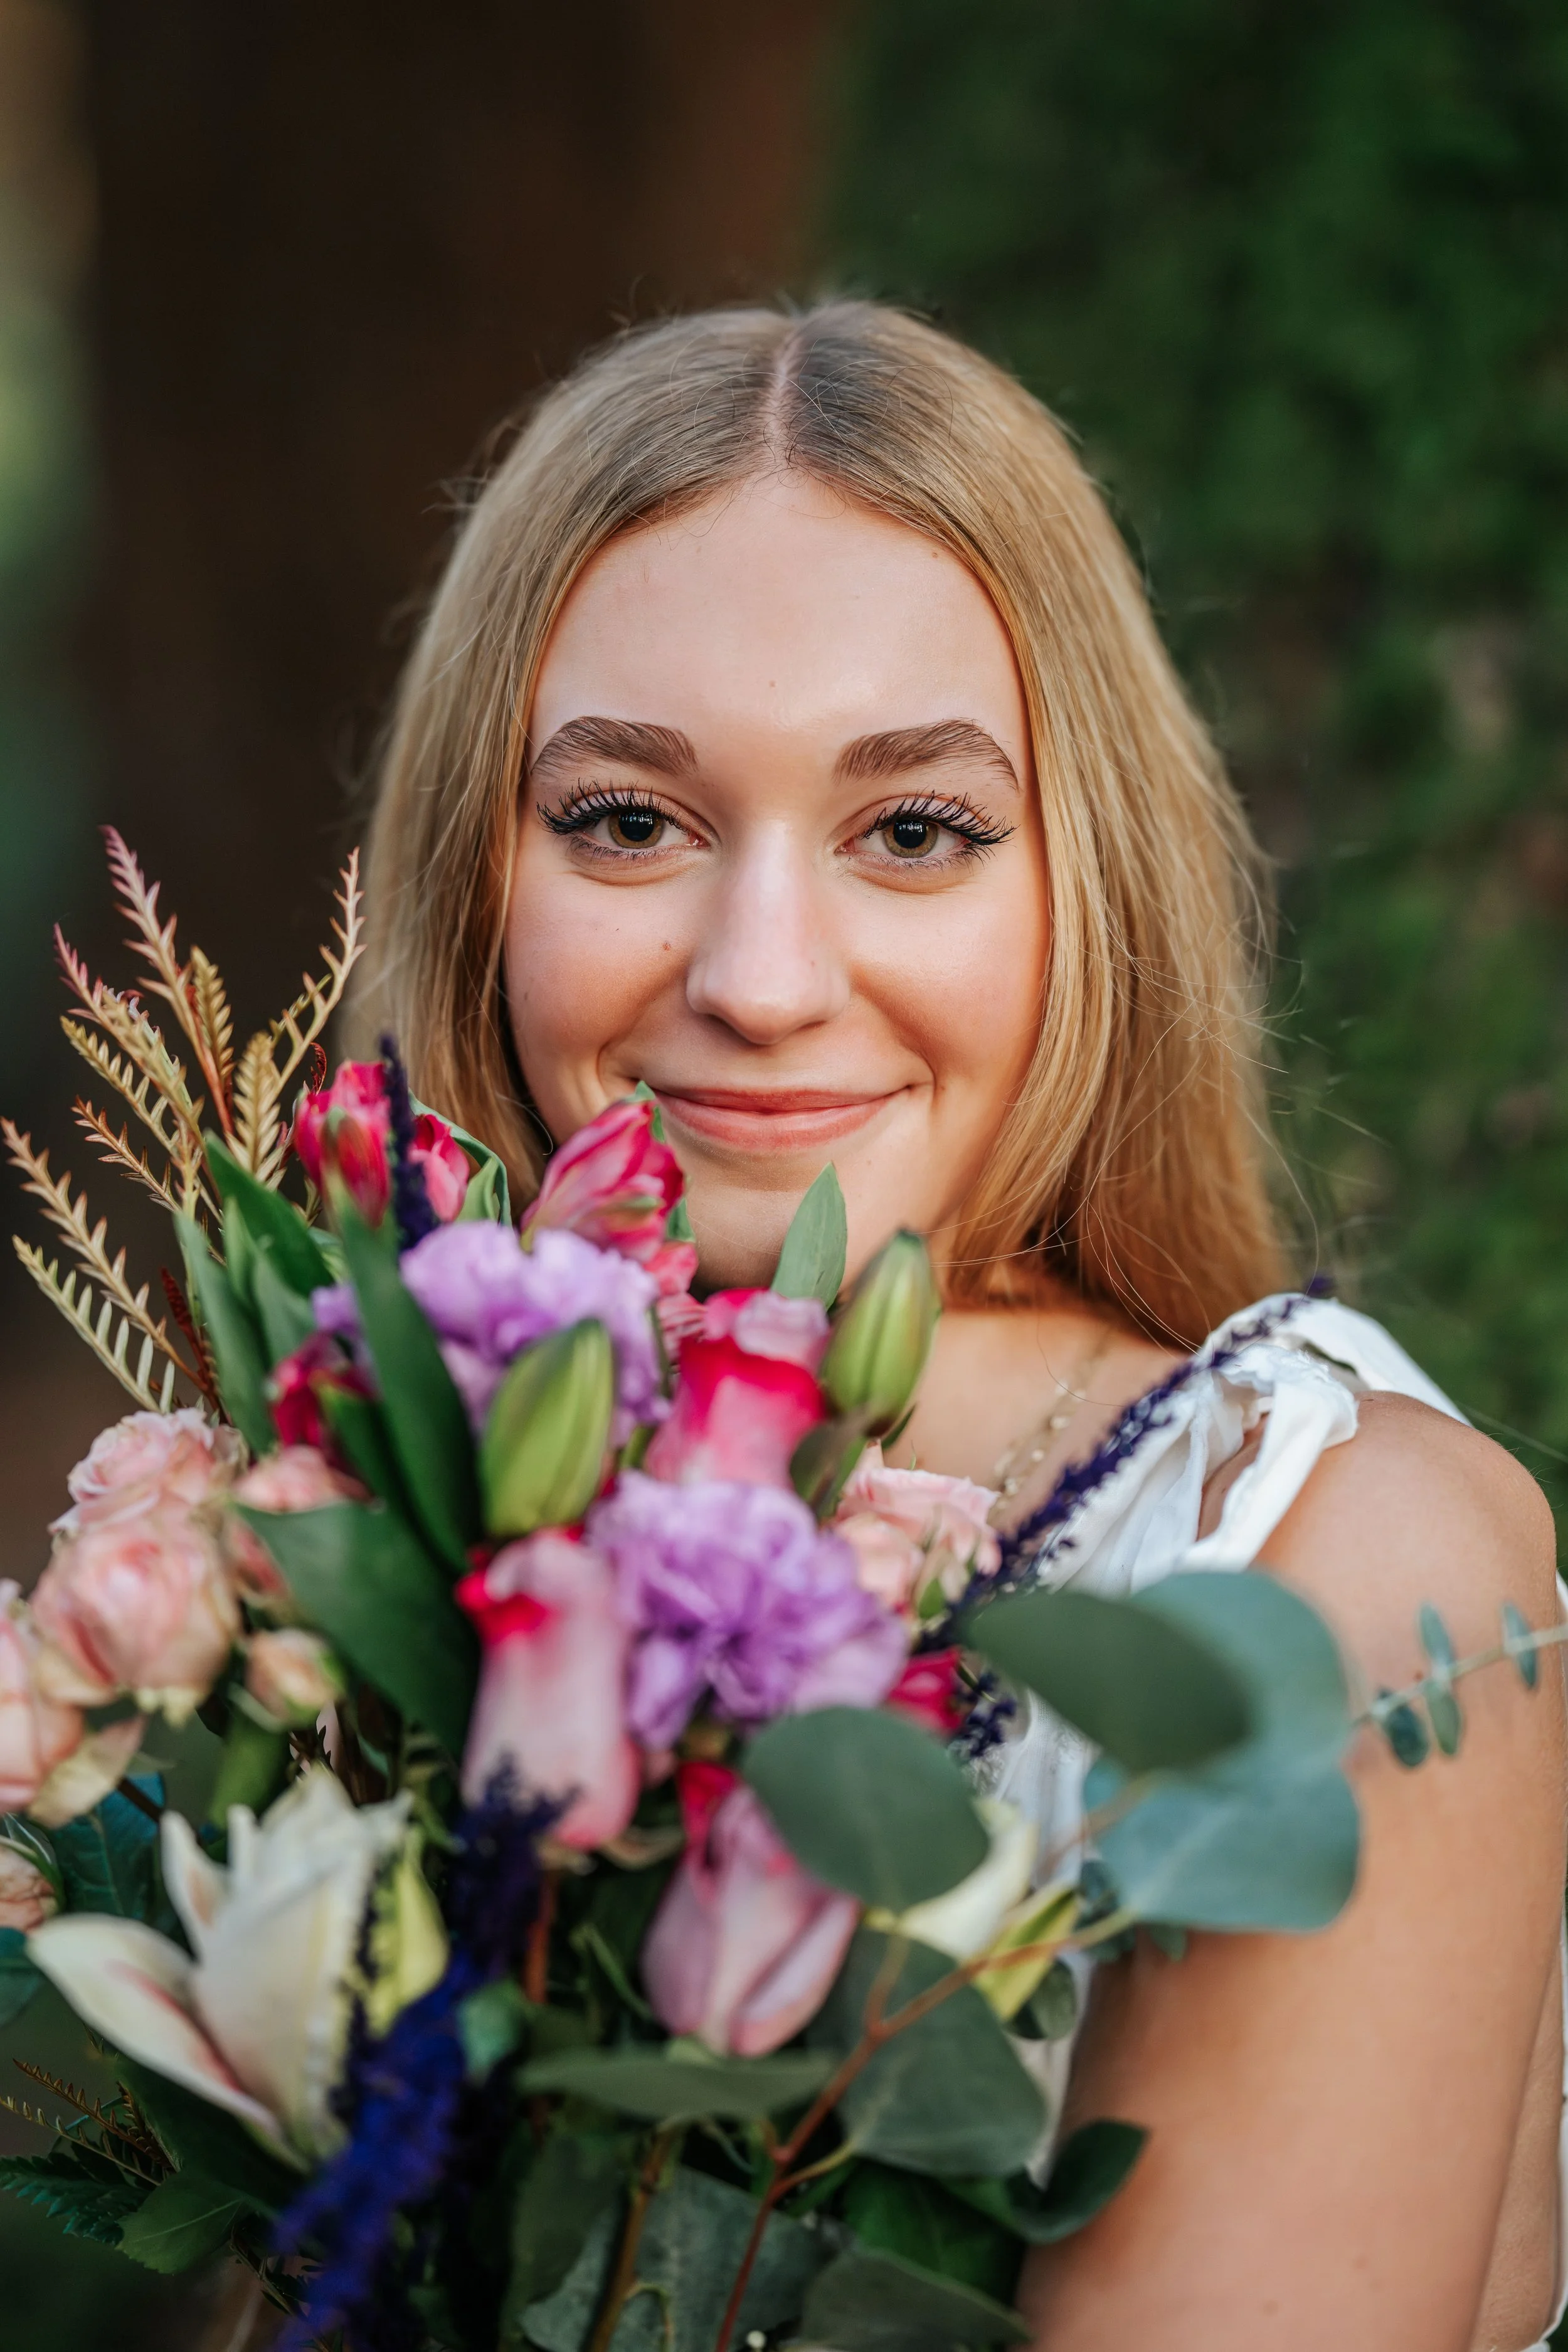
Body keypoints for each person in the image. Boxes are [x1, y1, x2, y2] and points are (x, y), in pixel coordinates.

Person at [358, 302, 1567, 2350]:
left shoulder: (1338, 1574)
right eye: (626, 818)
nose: (757, 974)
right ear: (475, 876)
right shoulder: (388, 1515)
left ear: (1080, 879)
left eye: (911, 829)